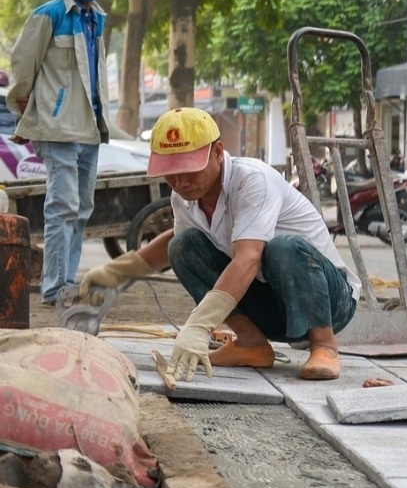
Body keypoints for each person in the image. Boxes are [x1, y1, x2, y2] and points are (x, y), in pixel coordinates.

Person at [79, 108, 361, 381]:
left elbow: (248, 259)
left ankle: (324, 345)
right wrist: (117, 271)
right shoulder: (184, 197)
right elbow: (174, 243)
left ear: (217, 152)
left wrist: (200, 326)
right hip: (273, 304)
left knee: (282, 248)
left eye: (190, 170)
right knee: (183, 245)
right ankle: (251, 344)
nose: (181, 181)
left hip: (329, 300)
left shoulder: (252, 180)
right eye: (171, 172)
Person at [8, 0, 110, 306]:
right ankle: (54, 288)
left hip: (91, 129)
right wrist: (25, 112)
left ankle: (67, 282)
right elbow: (23, 66)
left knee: (82, 209)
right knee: (62, 206)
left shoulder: (98, 18)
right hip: (58, 127)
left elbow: (96, 74)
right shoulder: (48, 15)